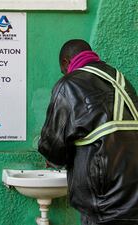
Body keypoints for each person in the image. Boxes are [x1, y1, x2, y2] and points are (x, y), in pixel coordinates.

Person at [38, 39, 138, 225]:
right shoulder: (121, 80)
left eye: (63, 69)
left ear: (67, 62)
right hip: (132, 196)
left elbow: (53, 147)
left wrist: (51, 159)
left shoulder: (69, 84)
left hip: (104, 200)